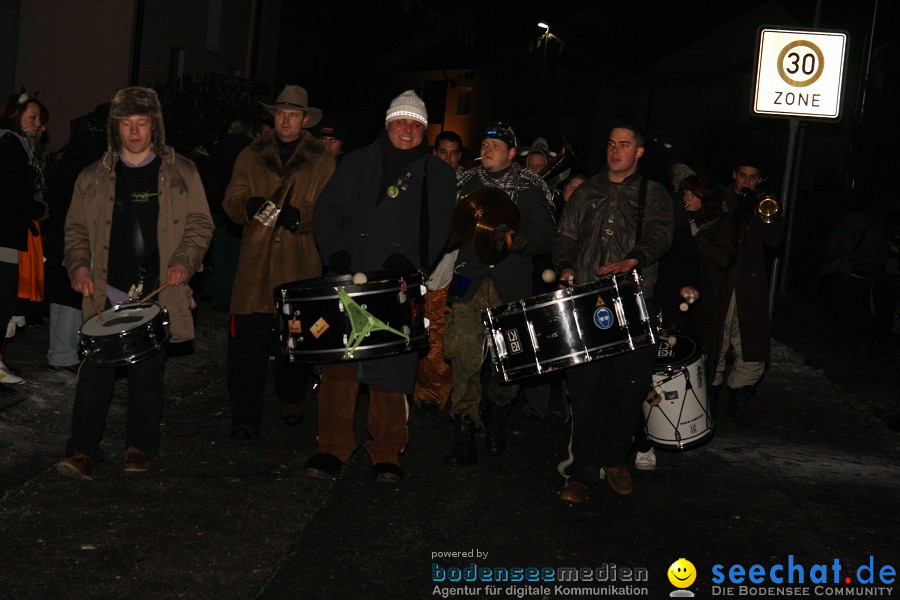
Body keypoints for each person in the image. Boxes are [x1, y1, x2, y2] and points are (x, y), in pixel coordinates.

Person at [56, 86, 213, 479]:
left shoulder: (183, 172)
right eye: (126, 124)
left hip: (157, 292)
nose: (135, 132)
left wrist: (184, 262)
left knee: (147, 376)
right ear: (116, 128)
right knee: (94, 376)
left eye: (142, 123)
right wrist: (78, 266)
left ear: (154, 126)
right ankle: (82, 451)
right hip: (105, 292)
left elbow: (200, 225)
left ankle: (140, 446)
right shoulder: (93, 177)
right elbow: (75, 229)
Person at [304, 90, 455, 482]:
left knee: (390, 372)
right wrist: (335, 252)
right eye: (401, 121)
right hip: (347, 278)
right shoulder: (356, 162)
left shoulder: (437, 173)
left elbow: (438, 228)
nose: (407, 129)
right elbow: (327, 211)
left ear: (424, 130)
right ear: (388, 124)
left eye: (416, 124)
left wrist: (411, 262)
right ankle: (333, 447)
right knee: (340, 370)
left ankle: (387, 451)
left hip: (397, 282)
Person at [554, 121, 673, 503]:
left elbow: (659, 234)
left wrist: (634, 259)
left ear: (639, 152)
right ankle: (582, 472)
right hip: (588, 301)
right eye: (610, 143)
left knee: (630, 386)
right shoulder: (586, 190)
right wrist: (567, 266)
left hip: (634, 299)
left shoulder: (653, 193)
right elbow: (565, 236)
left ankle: (615, 459)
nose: (614, 150)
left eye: (624, 144)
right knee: (586, 389)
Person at [222, 85, 335, 441]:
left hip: (299, 264)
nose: (285, 120)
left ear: (304, 120)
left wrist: (301, 218)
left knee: (295, 342)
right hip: (255, 265)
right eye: (280, 113)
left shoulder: (322, 161)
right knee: (247, 347)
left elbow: (333, 213)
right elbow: (231, 199)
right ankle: (245, 416)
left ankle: (291, 397)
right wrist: (247, 206)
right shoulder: (250, 155)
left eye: (293, 115)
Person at [443, 121, 556, 466]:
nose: (488, 148)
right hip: (469, 282)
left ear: (512, 153)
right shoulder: (465, 184)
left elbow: (547, 238)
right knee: (463, 356)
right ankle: (465, 425)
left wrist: (518, 242)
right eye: (486, 143)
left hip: (511, 285)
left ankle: (496, 416)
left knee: (512, 364)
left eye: (497, 144)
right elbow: (443, 234)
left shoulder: (530, 188)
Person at [713, 160, 783, 424]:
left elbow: (775, 240)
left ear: (760, 180)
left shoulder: (765, 202)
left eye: (753, 177)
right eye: (742, 175)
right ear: (734, 174)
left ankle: (737, 398)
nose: (747, 181)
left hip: (750, 285)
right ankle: (709, 396)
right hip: (723, 280)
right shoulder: (720, 199)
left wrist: (760, 210)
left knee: (751, 343)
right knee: (716, 338)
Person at [44, 102, 109, 375]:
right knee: (76, 290)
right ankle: (66, 353)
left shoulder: (80, 144)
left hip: (67, 227)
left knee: (67, 290)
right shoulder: (95, 150)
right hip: (80, 230)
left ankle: (63, 352)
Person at [413, 130, 467, 411]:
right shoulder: (421, 181)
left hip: (450, 269)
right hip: (419, 268)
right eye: (442, 152)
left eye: (453, 153)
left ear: (460, 156)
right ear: (435, 153)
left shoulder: (467, 188)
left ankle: (434, 394)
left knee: (441, 333)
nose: (448, 158)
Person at [0, 92, 50, 390]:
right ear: (14, 115)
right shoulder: (10, 145)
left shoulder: (16, 146)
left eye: (40, 120)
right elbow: (13, 195)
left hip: (9, 234)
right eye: (32, 117)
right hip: (4, 235)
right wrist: (39, 208)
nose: (38, 125)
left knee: (7, 300)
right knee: (4, 300)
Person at [203, 118, 251, 311]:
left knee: (218, 254)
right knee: (235, 255)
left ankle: (216, 294)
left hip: (214, 208)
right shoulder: (249, 152)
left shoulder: (216, 148)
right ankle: (230, 297)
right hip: (234, 209)